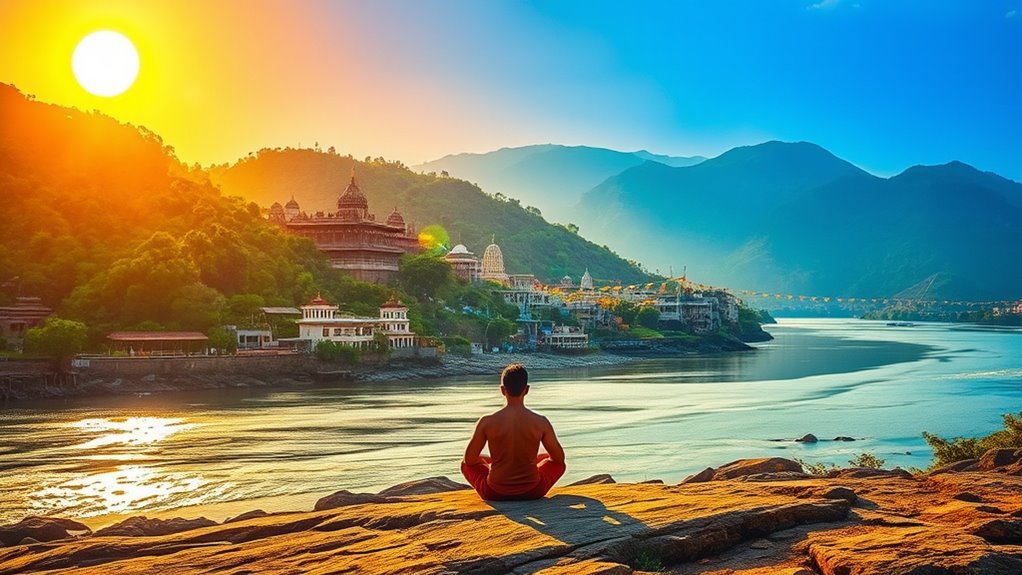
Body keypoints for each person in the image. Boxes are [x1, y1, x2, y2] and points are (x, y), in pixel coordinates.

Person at [461, 363, 566, 501]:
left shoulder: (487, 422)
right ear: (527, 390)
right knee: (555, 461)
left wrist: (495, 462)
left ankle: (500, 464)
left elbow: (469, 461)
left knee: (465, 464)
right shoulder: (541, 422)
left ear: (502, 390)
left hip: (494, 492)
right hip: (533, 491)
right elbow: (559, 459)